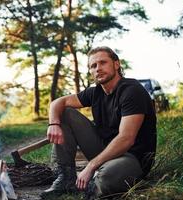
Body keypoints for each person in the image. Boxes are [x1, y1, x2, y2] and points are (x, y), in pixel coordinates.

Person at [41, 46, 157, 199]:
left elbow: (126, 139)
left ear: (116, 64)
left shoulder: (131, 90)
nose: (98, 68)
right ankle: (66, 179)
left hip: (131, 157)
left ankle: (94, 185)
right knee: (64, 112)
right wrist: (53, 124)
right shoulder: (95, 92)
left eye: (103, 63)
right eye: (93, 66)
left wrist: (91, 166)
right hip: (104, 150)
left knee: (105, 178)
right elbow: (58, 102)